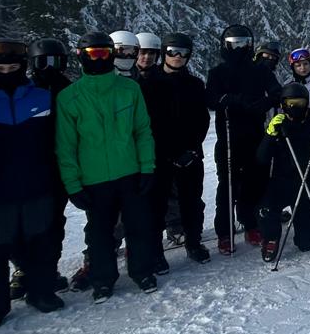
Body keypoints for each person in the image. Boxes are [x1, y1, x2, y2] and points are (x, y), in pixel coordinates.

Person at [0, 40, 64, 329]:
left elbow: (58, 140)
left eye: (12, 67)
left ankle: (41, 292)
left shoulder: (43, 98)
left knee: (41, 243)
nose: (6, 72)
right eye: (0, 68)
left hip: (38, 184)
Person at [55, 31, 159, 299]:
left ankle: (142, 271)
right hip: (95, 178)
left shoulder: (129, 89)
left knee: (138, 226)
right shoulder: (69, 97)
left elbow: (142, 131)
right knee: (99, 233)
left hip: (130, 172)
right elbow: (66, 146)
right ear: (81, 56)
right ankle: (102, 278)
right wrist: (73, 185)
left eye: (104, 53)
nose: (99, 59)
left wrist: (147, 167)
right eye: (92, 54)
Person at [206, 23, 281, 253]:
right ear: (225, 46)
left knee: (254, 183)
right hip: (229, 137)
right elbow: (210, 99)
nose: (239, 49)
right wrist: (229, 100)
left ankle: (251, 224)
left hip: (254, 136)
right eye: (234, 44)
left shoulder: (260, 70)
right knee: (227, 186)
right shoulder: (218, 72)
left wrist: (264, 103)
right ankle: (224, 232)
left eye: (243, 44)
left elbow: (277, 92)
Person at [141, 32, 211, 264]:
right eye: (172, 52)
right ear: (164, 53)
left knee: (192, 203)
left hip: (190, 155)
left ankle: (194, 243)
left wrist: (192, 149)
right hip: (160, 156)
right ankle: (156, 253)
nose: (178, 57)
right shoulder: (148, 84)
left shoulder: (194, 84)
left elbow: (202, 120)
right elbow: (146, 124)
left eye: (183, 53)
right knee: (156, 206)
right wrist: (166, 153)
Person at [257, 83, 310, 260]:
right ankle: (271, 237)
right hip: (281, 182)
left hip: (305, 184)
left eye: (300, 103)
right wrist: (269, 135)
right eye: (291, 103)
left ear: (307, 103)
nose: (295, 107)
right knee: (266, 209)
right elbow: (262, 158)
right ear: (283, 104)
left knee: (306, 244)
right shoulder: (279, 126)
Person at [27, 37, 74, 293]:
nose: (49, 68)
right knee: (26, 222)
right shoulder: (25, 90)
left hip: (59, 165)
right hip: (31, 166)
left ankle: (49, 268)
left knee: (54, 220)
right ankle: (23, 269)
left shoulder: (69, 90)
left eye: (55, 62)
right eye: (42, 62)